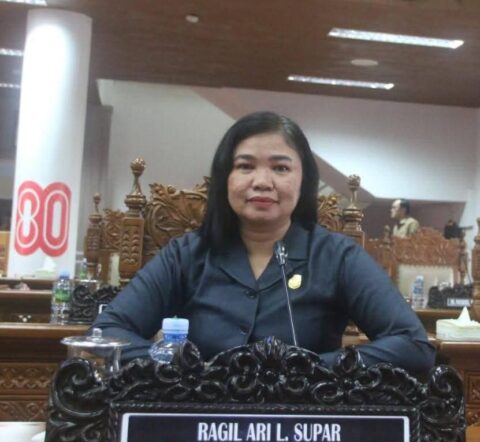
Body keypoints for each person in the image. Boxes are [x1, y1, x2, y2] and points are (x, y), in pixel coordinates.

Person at [92, 112, 435, 374]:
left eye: (281, 169)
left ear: (303, 181)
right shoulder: (186, 254)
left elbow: (413, 345)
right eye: (245, 166)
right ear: (225, 179)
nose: (262, 182)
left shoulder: (337, 256)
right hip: (202, 420)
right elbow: (107, 331)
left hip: (305, 423)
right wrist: (181, 365)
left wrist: (317, 369)